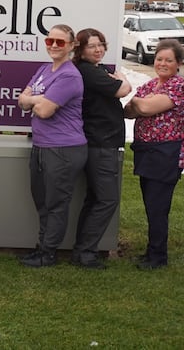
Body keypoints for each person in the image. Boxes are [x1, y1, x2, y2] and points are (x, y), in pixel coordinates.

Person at [18, 24, 88, 268]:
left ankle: (48, 253)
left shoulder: (69, 75)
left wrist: (34, 100)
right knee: (42, 201)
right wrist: (38, 99)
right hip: (41, 146)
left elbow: (45, 111)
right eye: (50, 41)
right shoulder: (44, 69)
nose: (54, 46)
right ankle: (42, 247)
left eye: (60, 42)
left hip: (63, 149)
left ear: (71, 45)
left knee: (56, 204)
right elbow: (21, 100)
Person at [123, 39, 184, 269]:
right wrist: (140, 103)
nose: (162, 63)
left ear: (179, 63)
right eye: (160, 59)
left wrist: (141, 103)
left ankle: (158, 257)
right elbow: (129, 111)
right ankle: (151, 251)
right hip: (146, 152)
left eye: (168, 60)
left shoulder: (179, 86)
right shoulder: (150, 85)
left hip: (167, 154)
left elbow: (143, 108)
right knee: (150, 205)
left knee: (158, 206)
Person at [71, 28, 131, 269]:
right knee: (107, 199)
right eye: (91, 46)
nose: (97, 49)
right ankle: (86, 252)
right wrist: (123, 79)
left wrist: (116, 79)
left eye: (100, 45)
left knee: (95, 198)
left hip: (101, 142)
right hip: (100, 144)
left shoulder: (97, 70)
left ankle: (82, 251)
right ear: (80, 50)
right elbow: (122, 90)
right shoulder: (88, 72)